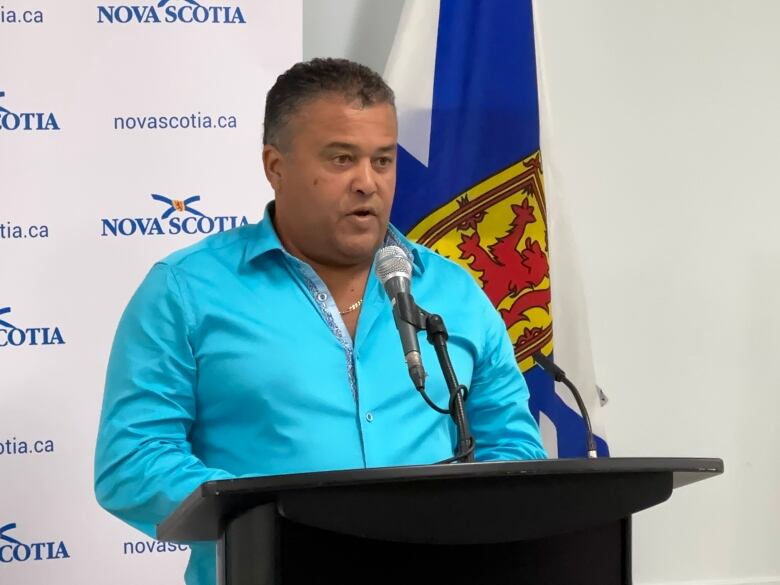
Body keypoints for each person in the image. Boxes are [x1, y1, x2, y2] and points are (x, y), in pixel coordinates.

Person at [94, 58, 547, 585]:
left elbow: (512, 445)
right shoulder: (186, 291)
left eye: (382, 161)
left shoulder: (453, 291)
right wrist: (272, 515)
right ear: (275, 166)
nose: (367, 183)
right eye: (341, 159)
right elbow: (132, 461)